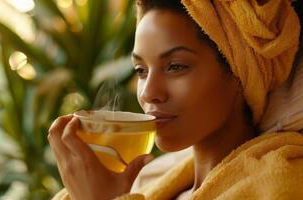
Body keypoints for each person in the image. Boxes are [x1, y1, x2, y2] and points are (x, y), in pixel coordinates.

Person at [48, 0, 303, 199]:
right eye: (141, 70)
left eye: (176, 67)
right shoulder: (151, 180)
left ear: (239, 73)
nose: (148, 93)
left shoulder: (281, 183)